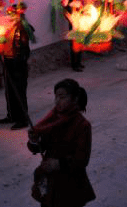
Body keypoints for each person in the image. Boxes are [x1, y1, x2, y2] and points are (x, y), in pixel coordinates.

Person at [27, 79, 95, 207]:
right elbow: (41, 147)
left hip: (70, 184)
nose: (57, 101)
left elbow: (82, 159)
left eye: (62, 97)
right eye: (56, 96)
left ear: (74, 99)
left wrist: (58, 163)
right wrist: (34, 140)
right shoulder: (52, 120)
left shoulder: (82, 125)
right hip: (50, 181)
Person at [0, 15, 32, 129]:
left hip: (18, 64)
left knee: (19, 91)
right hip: (8, 61)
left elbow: (25, 50)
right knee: (9, 91)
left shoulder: (23, 30)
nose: (10, 16)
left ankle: (23, 119)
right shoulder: (7, 28)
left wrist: (21, 61)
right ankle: (12, 115)